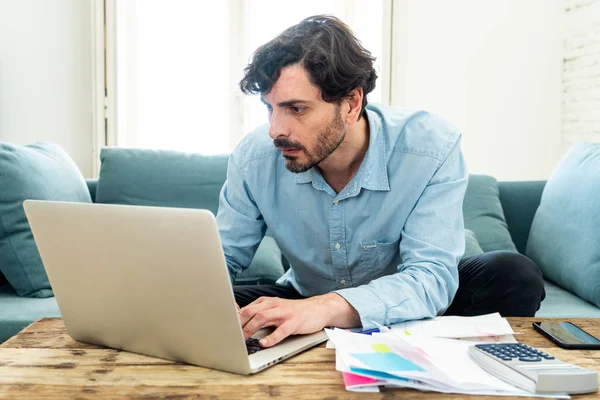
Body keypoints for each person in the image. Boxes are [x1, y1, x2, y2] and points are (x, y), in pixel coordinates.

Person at [216, 15, 545, 349]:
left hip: (409, 304)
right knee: (188, 302)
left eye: (296, 109)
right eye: (269, 109)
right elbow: (221, 259)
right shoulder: (252, 158)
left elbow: (430, 275)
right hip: (303, 297)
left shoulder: (429, 147)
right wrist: (210, 298)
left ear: (351, 104)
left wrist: (328, 307)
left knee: (513, 275)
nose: (275, 129)